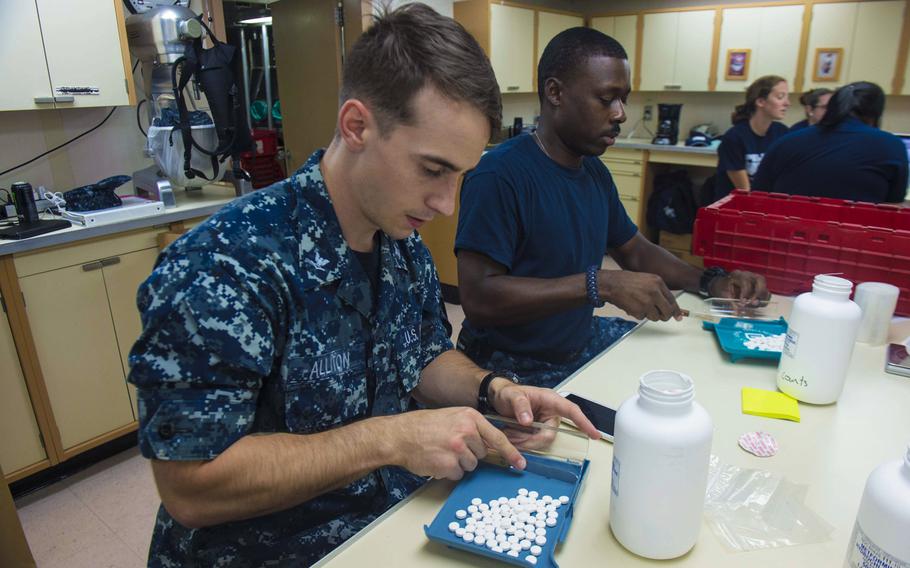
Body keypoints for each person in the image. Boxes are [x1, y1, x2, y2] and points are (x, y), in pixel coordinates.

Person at [127, 5, 599, 567]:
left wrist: (494, 391)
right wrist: (391, 439)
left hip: (385, 524)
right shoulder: (225, 264)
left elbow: (422, 357)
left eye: (460, 176)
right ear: (356, 126)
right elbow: (190, 487)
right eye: (431, 170)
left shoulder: (402, 246)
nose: (447, 203)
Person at [454, 27, 769, 389]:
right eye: (607, 99)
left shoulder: (593, 171)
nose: (620, 114)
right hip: (509, 365)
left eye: (624, 99)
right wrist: (599, 283)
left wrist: (711, 280)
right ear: (555, 92)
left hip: (578, 340)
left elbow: (634, 249)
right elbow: (478, 297)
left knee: (693, 369)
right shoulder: (500, 175)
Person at [753, 81, 908, 203]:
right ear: (876, 113)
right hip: (854, 237)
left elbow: (757, 195)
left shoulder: (787, 141)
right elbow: (892, 206)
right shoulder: (891, 146)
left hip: (787, 234)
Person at [714, 75, 791, 201]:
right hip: (735, 207)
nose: (787, 103)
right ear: (760, 101)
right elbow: (745, 191)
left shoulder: (782, 132)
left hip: (765, 203)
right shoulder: (734, 137)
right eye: (780, 97)